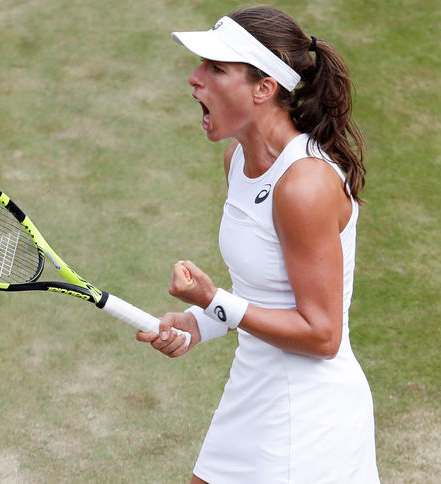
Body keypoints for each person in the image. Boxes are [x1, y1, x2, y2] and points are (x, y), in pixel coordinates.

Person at [135, 7, 379, 483]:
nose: (194, 78)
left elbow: (323, 335)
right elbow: (267, 291)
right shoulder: (238, 159)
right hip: (252, 390)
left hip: (307, 415)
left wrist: (212, 300)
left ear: (264, 88)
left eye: (216, 69)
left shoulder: (303, 185)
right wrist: (198, 324)